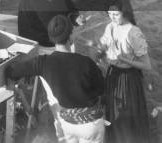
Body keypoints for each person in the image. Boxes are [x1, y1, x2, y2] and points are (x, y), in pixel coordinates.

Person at [7, 15, 105, 143]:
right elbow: (101, 89)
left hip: (67, 125)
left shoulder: (42, 63)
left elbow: (12, 71)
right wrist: (98, 65)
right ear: (70, 37)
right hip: (90, 126)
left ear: (52, 37)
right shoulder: (86, 63)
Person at [96, 2, 151, 143]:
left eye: (116, 14)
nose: (112, 18)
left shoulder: (134, 32)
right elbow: (104, 45)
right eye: (110, 15)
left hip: (129, 79)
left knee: (128, 115)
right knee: (114, 114)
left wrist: (125, 60)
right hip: (112, 75)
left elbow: (146, 65)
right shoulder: (110, 27)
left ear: (124, 13)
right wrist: (100, 51)